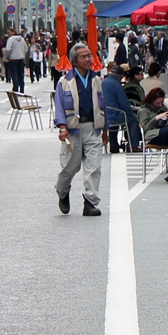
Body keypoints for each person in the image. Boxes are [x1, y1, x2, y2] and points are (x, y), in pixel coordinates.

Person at [52, 42, 105, 216]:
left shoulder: (96, 79)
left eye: (89, 56)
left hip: (92, 126)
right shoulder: (64, 82)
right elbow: (59, 106)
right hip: (73, 128)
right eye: (84, 57)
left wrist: (106, 129)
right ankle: (63, 191)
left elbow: (103, 105)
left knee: (94, 166)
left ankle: (90, 201)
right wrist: (62, 127)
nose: (88, 59)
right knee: (69, 167)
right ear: (74, 61)